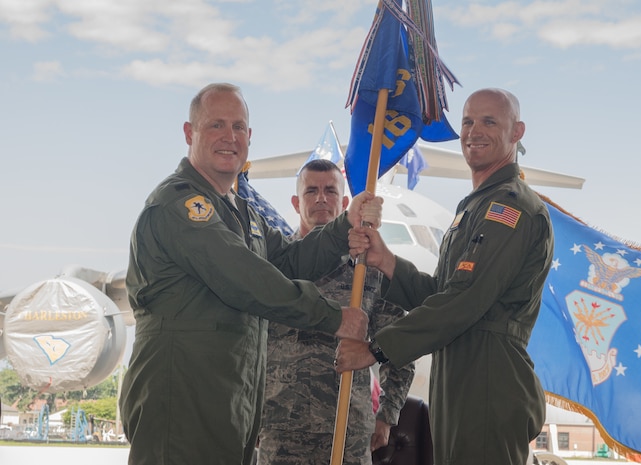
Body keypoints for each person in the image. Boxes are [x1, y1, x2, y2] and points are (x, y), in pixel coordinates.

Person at [120, 83, 382, 465]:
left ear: (249, 137)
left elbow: (291, 260)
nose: (230, 137)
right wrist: (335, 317)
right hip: (182, 402)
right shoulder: (180, 205)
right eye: (216, 126)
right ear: (189, 133)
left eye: (239, 127)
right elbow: (247, 280)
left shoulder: (243, 214)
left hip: (231, 406)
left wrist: (345, 225)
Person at [336, 88, 554, 465]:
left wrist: (376, 349)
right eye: (468, 121)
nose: (473, 132)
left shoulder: (510, 207)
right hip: (460, 376)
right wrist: (387, 261)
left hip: (488, 377)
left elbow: (463, 300)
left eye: (489, 121)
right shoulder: (474, 207)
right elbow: (441, 293)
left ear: (516, 132)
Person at [258, 159, 415, 465]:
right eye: (311, 191)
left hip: (348, 432)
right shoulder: (274, 269)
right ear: (295, 202)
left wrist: (387, 413)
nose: (321, 198)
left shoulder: (366, 270)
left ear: (344, 203)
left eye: (330, 190)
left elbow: (400, 342)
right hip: (281, 431)